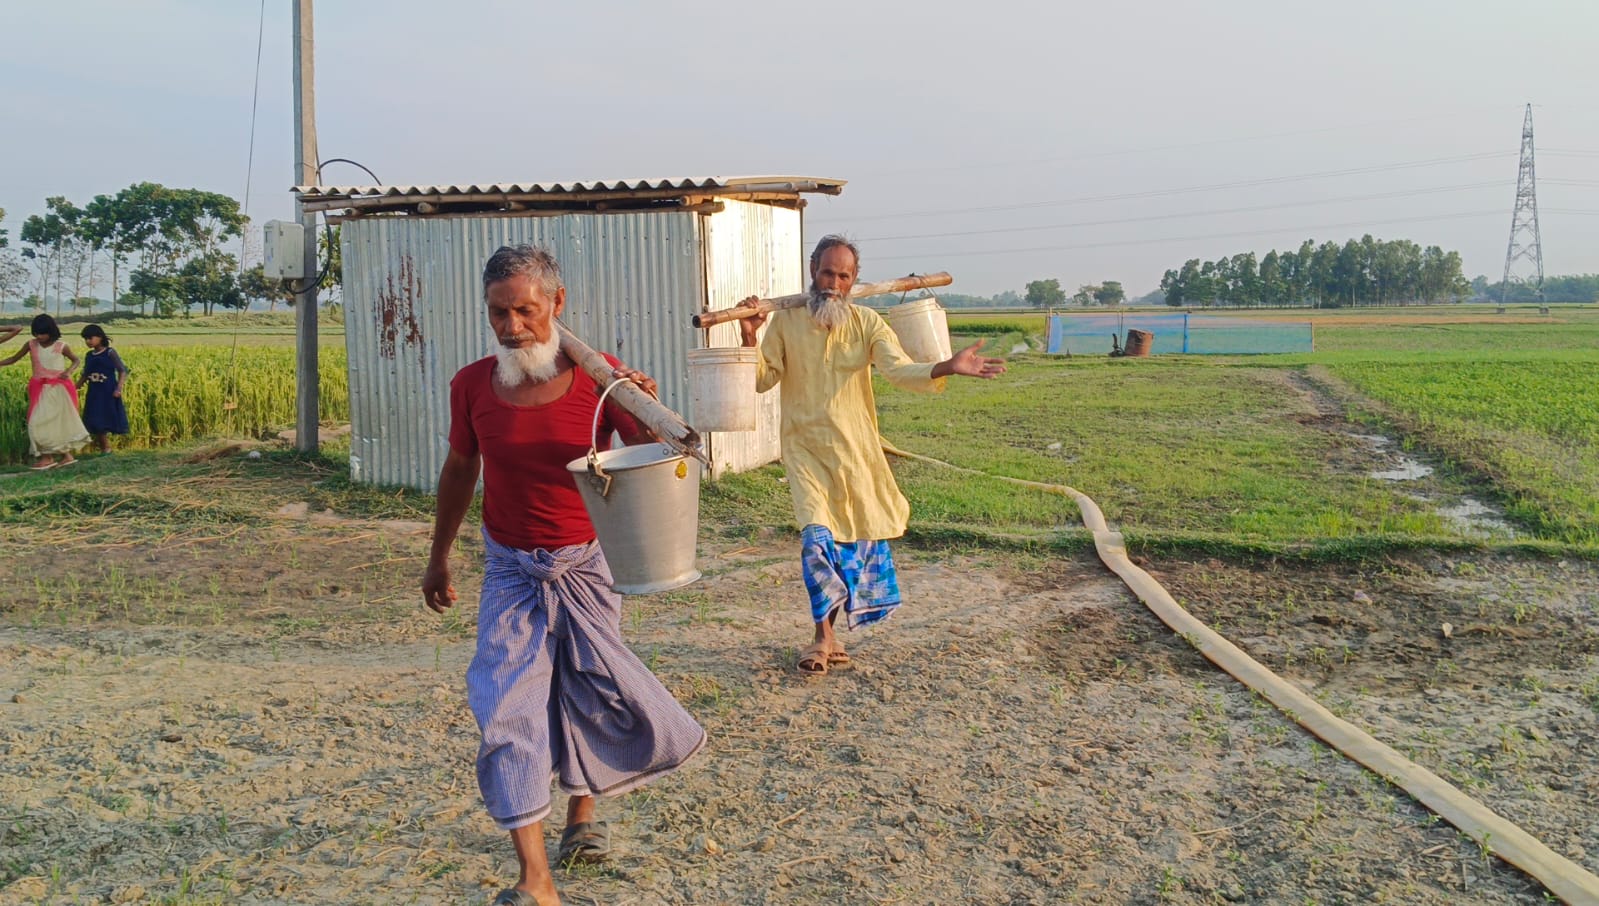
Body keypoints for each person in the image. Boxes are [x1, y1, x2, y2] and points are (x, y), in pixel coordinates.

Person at [422, 244, 706, 906]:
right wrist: (438, 554)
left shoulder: (599, 384)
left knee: (585, 691)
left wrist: (642, 405)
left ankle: (583, 816)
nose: (512, 326)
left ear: (557, 304)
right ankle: (535, 880)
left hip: (586, 564)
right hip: (511, 569)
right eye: (498, 312)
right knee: (505, 711)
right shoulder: (472, 386)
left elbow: (661, 462)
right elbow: (461, 470)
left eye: (525, 309)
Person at [736, 235, 1006, 676]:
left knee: (849, 546)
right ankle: (822, 636)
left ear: (854, 280)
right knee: (815, 542)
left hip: (857, 453)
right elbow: (762, 380)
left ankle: (833, 634)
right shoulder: (785, 323)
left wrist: (946, 366)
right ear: (812, 271)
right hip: (805, 451)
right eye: (827, 272)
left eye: (844, 275)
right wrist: (750, 337)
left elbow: (899, 370)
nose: (834, 282)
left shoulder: (867, 323)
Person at [0, 314, 90, 469]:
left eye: (42, 333)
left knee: (58, 422)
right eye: (36, 333)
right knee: (36, 422)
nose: (39, 336)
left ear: (51, 331)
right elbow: (14, 358)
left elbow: (76, 360)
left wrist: (69, 371)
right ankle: (50, 456)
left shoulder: (61, 346)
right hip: (40, 390)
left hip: (58, 389)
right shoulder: (31, 344)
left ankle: (60, 456)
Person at [76, 324, 131, 454]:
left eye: (90, 338)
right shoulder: (89, 355)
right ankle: (105, 447)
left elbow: (122, 370)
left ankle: (106, 448)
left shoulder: (110, 352)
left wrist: (118, 388)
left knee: (106, 416)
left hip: (108, 390)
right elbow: (85, 374)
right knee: (95, 417)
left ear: (100, 337)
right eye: (85, 339)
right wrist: (75, 387)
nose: (88, 341)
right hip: (94, 391)